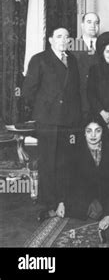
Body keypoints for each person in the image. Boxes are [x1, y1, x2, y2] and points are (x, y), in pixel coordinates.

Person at [22, 27, 82, 221]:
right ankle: (48, 204)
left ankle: (63, 201)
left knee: (66, 162)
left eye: (66, 37)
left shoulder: (72, 59)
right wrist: (41, 113)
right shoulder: (39, 59)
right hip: (48, 120)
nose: (63, 40)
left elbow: (75, 92)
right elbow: (28, 92)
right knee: (48, 163)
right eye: (59, 36)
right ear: (50, 39)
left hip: (69, 120)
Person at [67, 118, 109, 221]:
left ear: (103, 132)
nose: (93, 135)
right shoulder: (76, 151)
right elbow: (72, 181)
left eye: (97, 131)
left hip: (105, 194)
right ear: (84, 133)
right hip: (84, 195)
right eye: (89, 131)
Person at [70, 12, 100, 117]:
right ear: (82, 25)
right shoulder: (72, 46)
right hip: (79, 102)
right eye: (89, 22)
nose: (93, 26)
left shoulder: (105, 46)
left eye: (96, 23)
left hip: (101, 103)